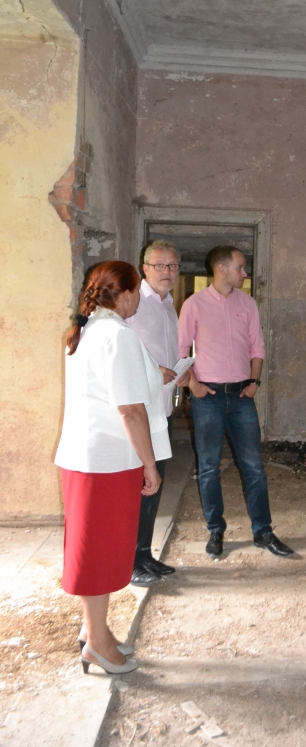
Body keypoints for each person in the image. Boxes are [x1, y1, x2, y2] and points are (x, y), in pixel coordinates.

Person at [55, 261, 168, 675]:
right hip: (106, 460)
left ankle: (94, 630)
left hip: (87, 457)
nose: (138, 300)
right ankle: (98, 644)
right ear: (127, 294)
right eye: (137, 292)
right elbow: (130, 410)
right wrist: (149, 464)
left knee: (96, 546)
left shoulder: (87, 330)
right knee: (99, 551)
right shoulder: (117, 335)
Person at [178, 245, 293, 559]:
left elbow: (257, 347)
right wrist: (193, 385)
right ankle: (216, 530)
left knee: (254, 467)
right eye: (240, 267)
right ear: (221, 269)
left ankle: (263, 532)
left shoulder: (248, 304)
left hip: (242, 398)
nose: (245, 273)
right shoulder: (194, 305)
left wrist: (254, 382)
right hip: (208, 398)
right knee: (208, 468)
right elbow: (181, 351)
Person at [127, 239, 191, 586]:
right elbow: (123, 352)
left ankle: (144, 554)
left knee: (154, 485)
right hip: (138, 410)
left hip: (161, 410)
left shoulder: (169, 305)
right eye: (159, 265)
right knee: (138, 486)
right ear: (145, 268)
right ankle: (129, 561)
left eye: (173, 266)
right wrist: (155, 370)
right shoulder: (133, 302)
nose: (167, 272)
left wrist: (181, 371)